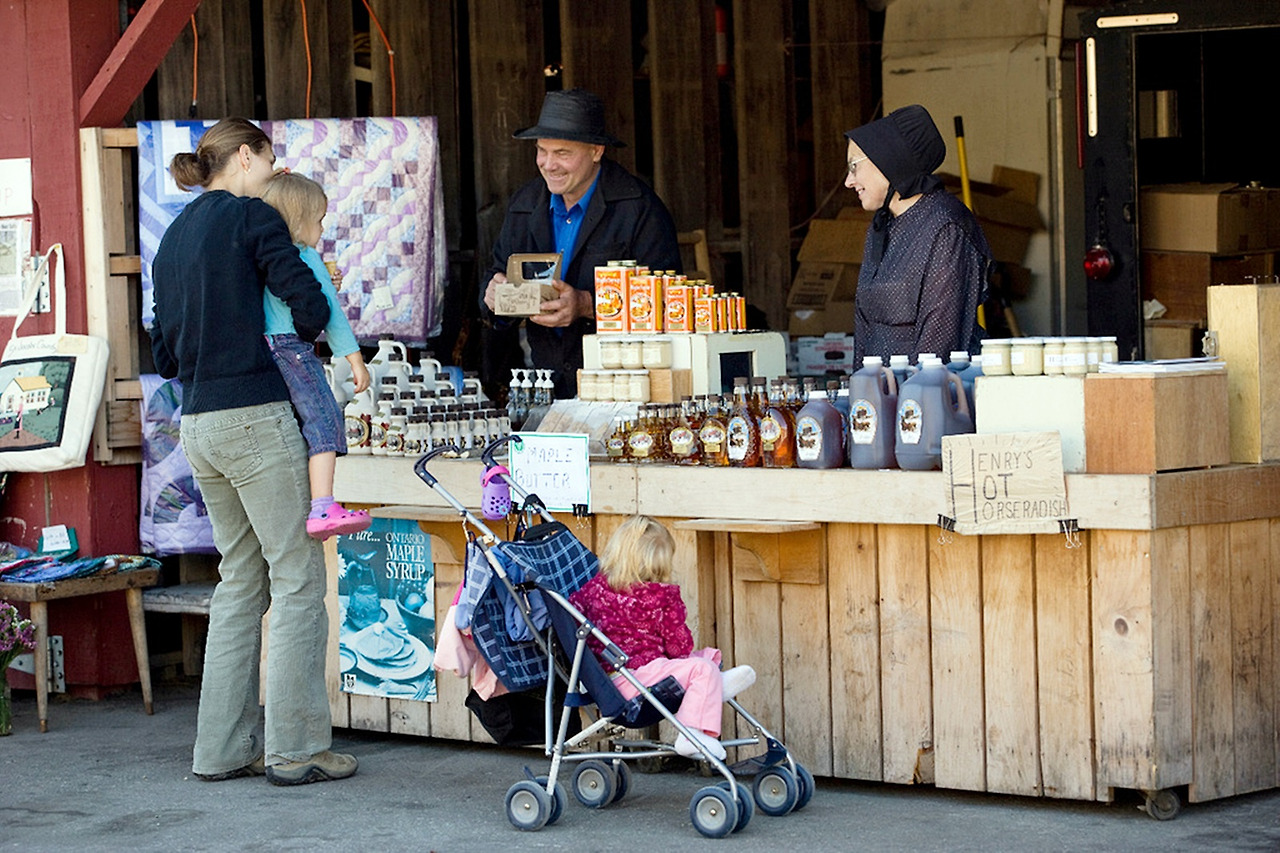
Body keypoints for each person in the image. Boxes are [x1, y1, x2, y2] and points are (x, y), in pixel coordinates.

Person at [150, 117, 357, 786]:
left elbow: (163, 350)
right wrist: (309, 339)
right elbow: (308, 304)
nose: (273, 174)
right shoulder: (253, 219)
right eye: (269, 160)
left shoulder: (173, 238)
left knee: (239, 581)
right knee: (298, 578)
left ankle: (219, 749)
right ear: (245, 156)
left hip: (200, 421)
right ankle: (296, 748)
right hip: (258, 415)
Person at [482, 88, 682, 398]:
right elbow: (495, 276)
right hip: (547, 386)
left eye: (562, 153)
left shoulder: (639, 207)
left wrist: (588, 305)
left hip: (623, 387)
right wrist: (494, 295)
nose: (548, 164)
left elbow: (671, 303)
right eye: (542, 150)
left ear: (596, 151)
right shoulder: (525, 204)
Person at [568, 516, 756, 761]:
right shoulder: (660, 597)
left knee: (706, 661)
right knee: (702, 667)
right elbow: (679, 648)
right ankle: (691, 734)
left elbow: (573, 617)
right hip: (636, 682)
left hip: (608, 681)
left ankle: (710, 689)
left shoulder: (593, 590)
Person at [259, 171, 372, 540]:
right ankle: (323, 504)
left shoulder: (257, 255)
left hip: (262, 352)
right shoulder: (304, 256)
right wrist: (353, 358)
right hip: (290, 347)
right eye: (319, 220)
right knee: (324, 416)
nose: (322, 228)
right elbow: (331, 312)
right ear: (300, 221)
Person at [843, 104, 991, 365]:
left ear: (887, 159)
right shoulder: (882, 226)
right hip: (883, 395)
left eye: (854, 166)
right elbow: (865, 328)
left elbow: (939, 344)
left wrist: (909, 399)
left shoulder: (946, 228)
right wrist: (862, 393)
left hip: (930, 396)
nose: (849, 181)